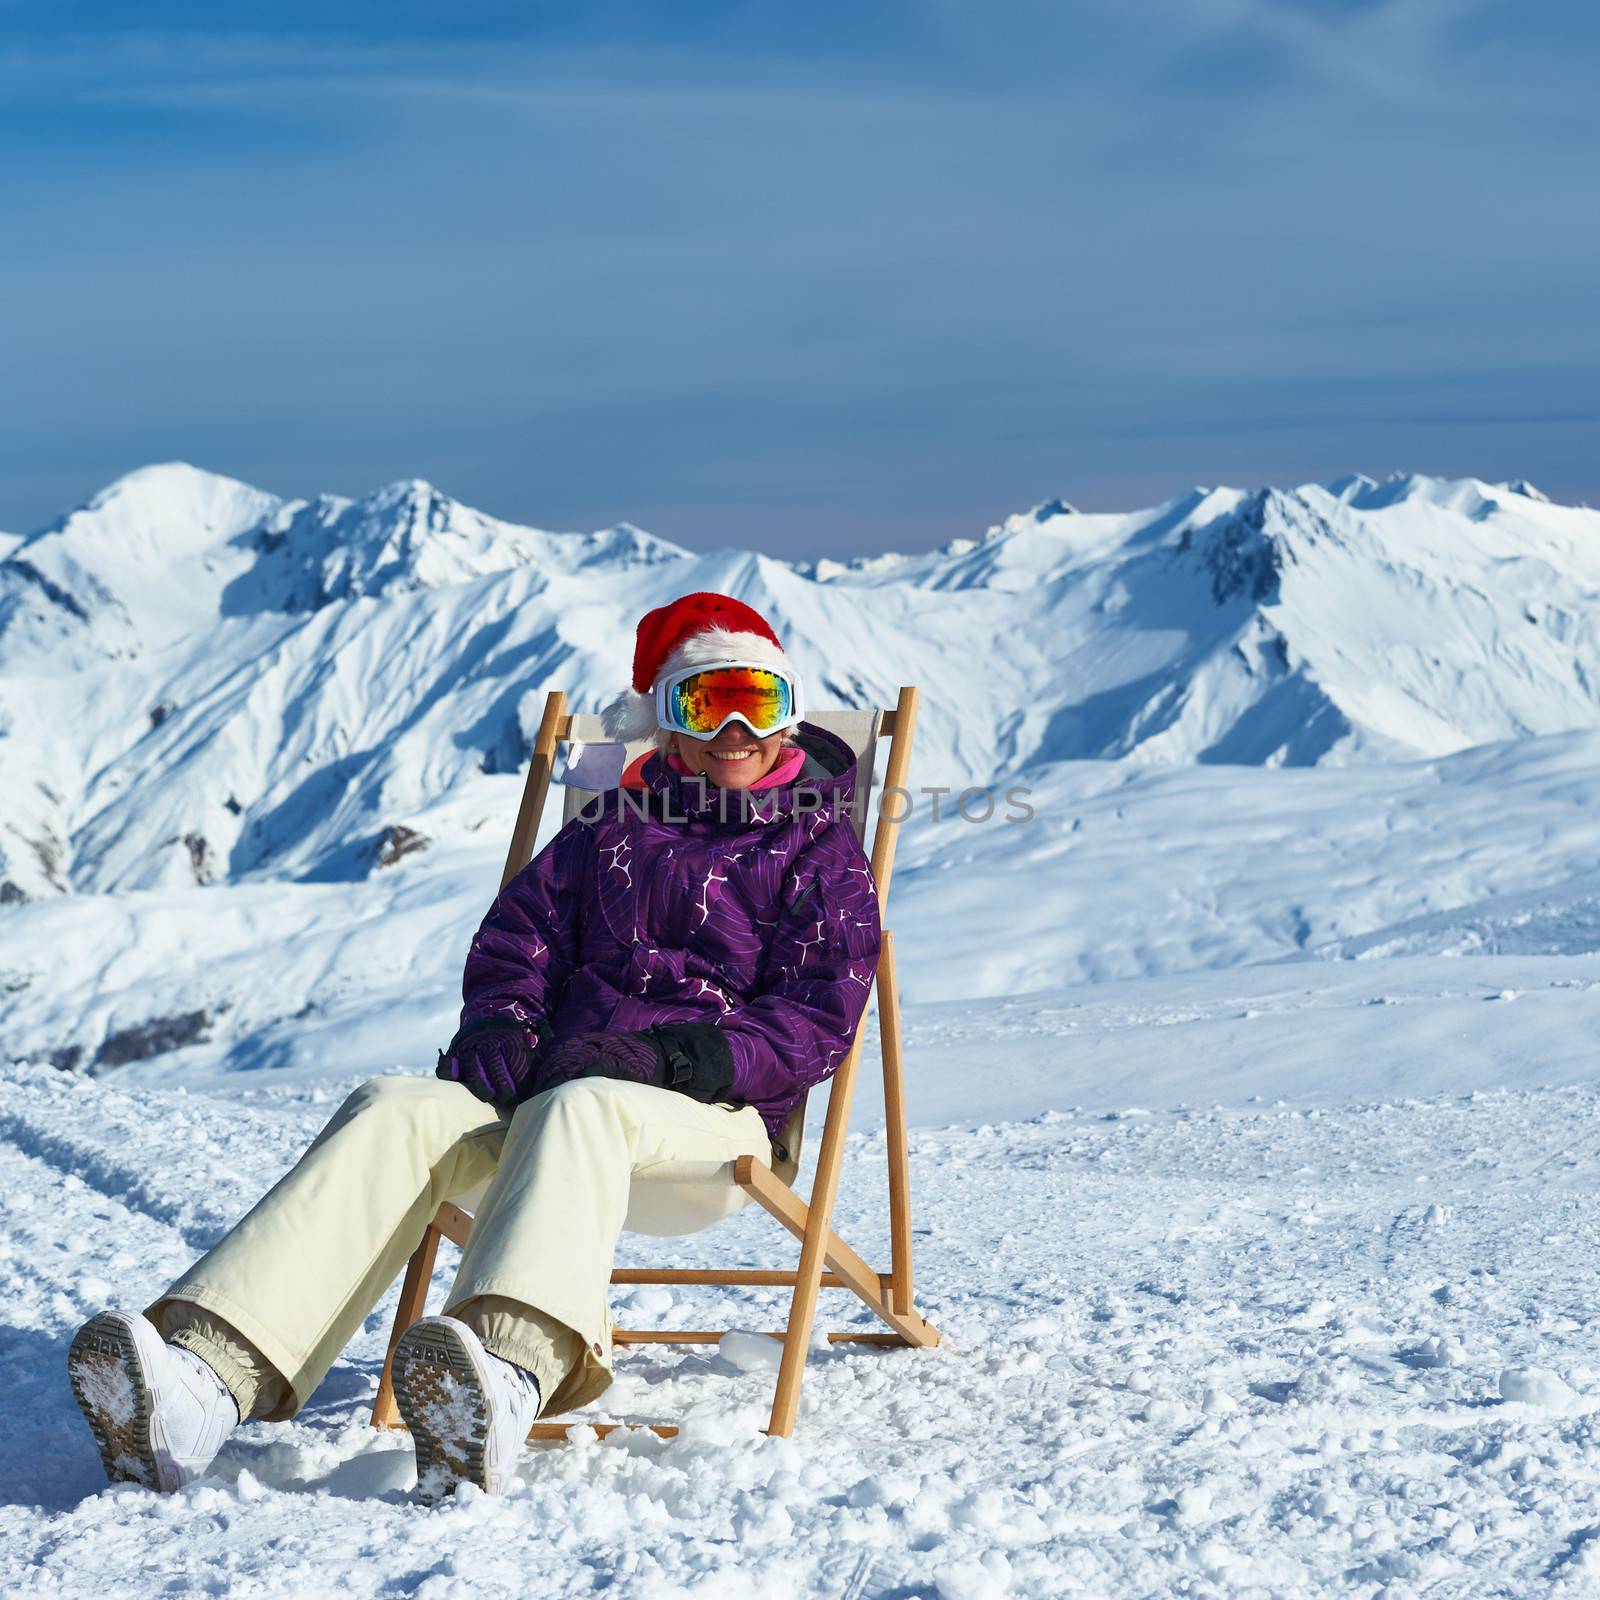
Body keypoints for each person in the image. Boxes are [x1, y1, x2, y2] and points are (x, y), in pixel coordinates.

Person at [66, 591, 882, 1500]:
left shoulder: (818, 845)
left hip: (706, 1124)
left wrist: (673, 1059)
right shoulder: (606, 829)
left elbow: (819, 1018)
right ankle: (204, 1383)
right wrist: (502, 1022)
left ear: (791, 713)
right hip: (554, 1100)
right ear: (666, 723)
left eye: (760, 702)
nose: (737, 728)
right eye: (706, 702)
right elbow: (519, 941)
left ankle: (503, 1377)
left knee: (585, 1105)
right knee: (395, 1107)